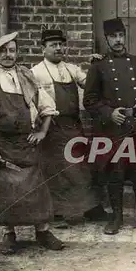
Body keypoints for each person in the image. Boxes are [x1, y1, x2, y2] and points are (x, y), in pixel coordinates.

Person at [0, 32, 65, 253]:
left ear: (16, 52)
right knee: (4, 191)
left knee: (36, 189)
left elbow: (47, 106)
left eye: (12, 50)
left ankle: (43, 232)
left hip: (25, 144)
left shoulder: (26, 77)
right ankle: (9, 235)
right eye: (3, 51)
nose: (8, 55)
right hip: (0, 144)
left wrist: (42, 131)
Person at [83, 18, 136, 235]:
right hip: (112, 131)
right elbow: (89, 99)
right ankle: (116, 218)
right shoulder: (98, 66)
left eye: (120, 35)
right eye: (113, 36)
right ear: (107, 39)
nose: (118, 40)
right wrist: (109, 113)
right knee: (115, 173)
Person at [31, 28, 109, 227]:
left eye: (60, 45)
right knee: (56, 172)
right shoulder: (36, 73)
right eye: (53, 45)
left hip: (74, 126)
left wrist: (96, 68)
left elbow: (89, 84)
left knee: (83, 168)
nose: (58, 48)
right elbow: (31, 102)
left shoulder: (71, 69)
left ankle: (92, 208)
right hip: (52, 129)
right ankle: (56, 214)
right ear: (43, 49)